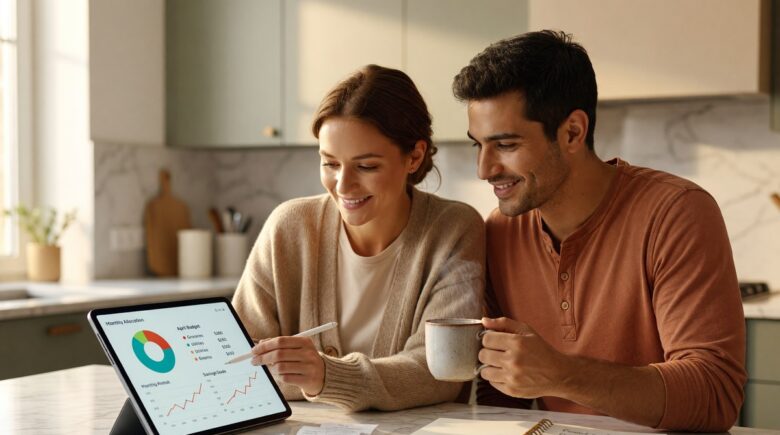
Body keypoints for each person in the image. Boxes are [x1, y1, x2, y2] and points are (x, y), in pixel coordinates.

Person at [451, 30, 746, 432]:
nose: (484, 169)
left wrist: (562, 374)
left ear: (572, 132)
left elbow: (714, 394)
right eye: (477, 146)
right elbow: (501, 395)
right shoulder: (500, 231)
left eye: (505, 145)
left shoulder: (676, 212)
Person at [232, 64, 484, 411]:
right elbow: (237, 362)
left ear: (414, 156)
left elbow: (439, 372)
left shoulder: (453, 229)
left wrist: (326, 375)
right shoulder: (288, 227)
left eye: (366, 166)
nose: (343, 185)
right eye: (330, 163)